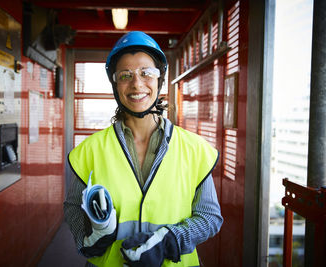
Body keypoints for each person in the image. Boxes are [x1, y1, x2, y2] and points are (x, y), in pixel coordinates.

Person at [65, 31, 223, 267]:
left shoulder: (194, 149)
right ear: (115, 85)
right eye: (125, 75)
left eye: (146, 73)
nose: (137, 83)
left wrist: (169, 241)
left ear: (160, 80)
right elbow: (73, 208)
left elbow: (209, 217)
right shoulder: (89, 150)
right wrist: (90, 237)